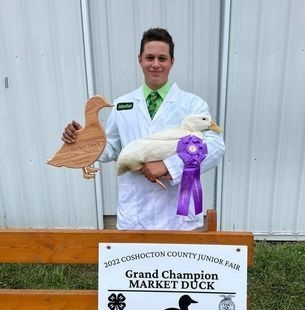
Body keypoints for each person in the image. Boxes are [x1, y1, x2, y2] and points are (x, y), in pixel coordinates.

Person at [62, 28, 225, 230]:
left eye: (162, 58)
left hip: (177, 215)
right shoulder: (122, 104)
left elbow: (215, 146)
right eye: (150, 57)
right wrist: (83, 140)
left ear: (172, 61)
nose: (155, 64)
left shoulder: (192, 104)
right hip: (135, 213)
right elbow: (111, 147)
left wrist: (168, 166)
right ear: (140, 59)